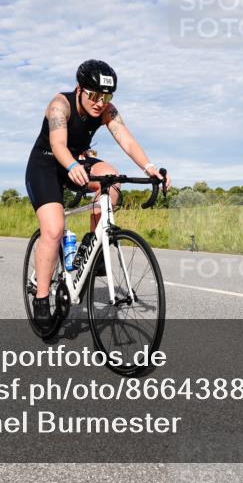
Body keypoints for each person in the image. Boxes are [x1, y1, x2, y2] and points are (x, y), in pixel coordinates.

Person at [24, 59, 170, 332]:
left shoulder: (107, 110)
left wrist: (149, 168)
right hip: (46, 164)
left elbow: (126, 139)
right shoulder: (60, 105)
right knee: (54, 230)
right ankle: (42, 297)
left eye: (106, 96)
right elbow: (57, 144)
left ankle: (94, 243)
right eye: (93, 95)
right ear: (80, 89)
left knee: (112, 180)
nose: (99, 102)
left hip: (77, 162)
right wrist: (70, 166)